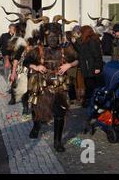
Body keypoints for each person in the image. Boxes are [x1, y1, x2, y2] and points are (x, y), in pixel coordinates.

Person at [24, 16, 79, 152]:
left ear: (59, 36)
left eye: (55, 36)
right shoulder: (38, 50)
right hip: (42, 86)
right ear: (45, 37)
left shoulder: (65, 49)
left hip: (59, 87)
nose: (53, 39)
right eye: (50, 37)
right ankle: (36, 127)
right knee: (37, 110)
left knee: (60, 113)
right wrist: (36, 67)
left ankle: (57, 141)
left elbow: (78, 60)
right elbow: (26, 62)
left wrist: (68, 65)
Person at [73, 26, 103, 107]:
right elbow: (80, 50)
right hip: (87, 67)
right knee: (88, 85)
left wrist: (98, 67)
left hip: (91, 67)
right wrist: (75, 42)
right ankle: (89, 102)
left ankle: (91, 102)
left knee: (91, 86)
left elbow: (97, 55)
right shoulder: (85, 40)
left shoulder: (92, 41)